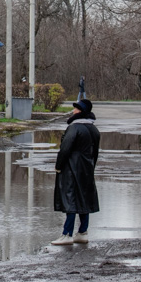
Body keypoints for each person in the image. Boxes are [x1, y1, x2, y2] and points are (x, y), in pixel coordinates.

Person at [51, 98, 101, 245]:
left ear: (81, 112)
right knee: (84, 199)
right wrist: (91, 167)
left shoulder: (74, 128)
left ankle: (67, 234)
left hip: (71, 168)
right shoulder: (94, 129)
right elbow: (95, 153)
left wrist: (58, 165)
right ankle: (83, 232)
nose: (73, 111)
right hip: (87, 169)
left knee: (70, 199)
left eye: (76, 109)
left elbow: (65, 149)